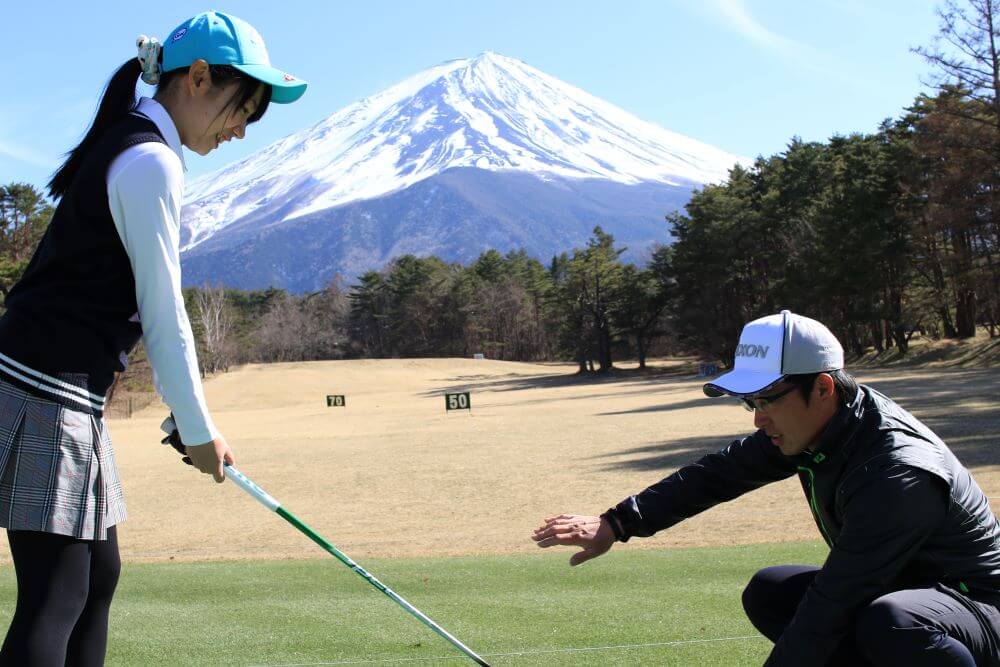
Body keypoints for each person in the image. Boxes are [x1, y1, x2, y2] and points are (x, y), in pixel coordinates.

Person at [0, 11, 306, 665]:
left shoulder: (136, 144)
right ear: (198, 78)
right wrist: (197, 427)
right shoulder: (150, 161)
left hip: (61, 389)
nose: (241, 131)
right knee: (56, 594)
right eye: (243, 109)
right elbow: (164, 312)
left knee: (95, 579)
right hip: (43, 389)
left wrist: (188, 420)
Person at [533, 310, 1000, 666]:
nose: (759, 419)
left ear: (823, 388)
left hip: (977, 607)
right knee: (771, 592)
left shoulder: (896, 472)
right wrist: (616, 523)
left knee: (891, 621)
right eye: (750, 403)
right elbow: (719, 473)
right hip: (909, 596)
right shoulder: (822, 426)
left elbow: (835, 600)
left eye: (768, 400)